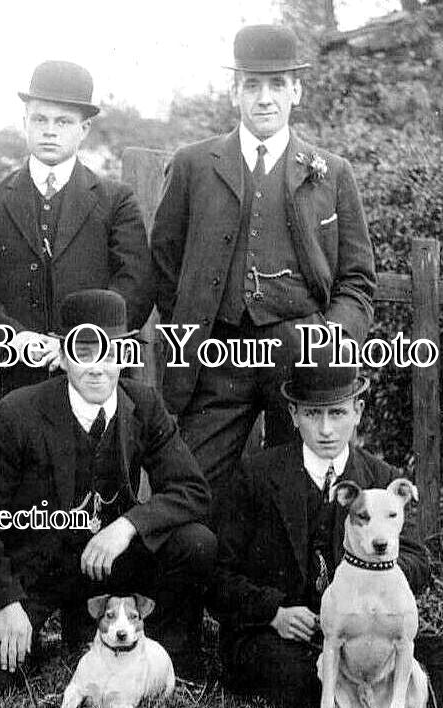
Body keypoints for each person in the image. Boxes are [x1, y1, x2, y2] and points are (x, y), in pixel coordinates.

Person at [150, 25, 375, 490]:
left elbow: (356, 280)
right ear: (235, 92)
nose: (264, 98)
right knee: (188, 489)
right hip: (217, 359)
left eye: (277, 84)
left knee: (298, 493)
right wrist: (196, 325)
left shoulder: (332, 173)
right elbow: (164, 265)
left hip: (301, 362)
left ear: (297, 89)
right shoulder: (194, 165)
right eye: (252, 84)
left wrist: (330, 340)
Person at [0, 289, 214, 691]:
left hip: (109, 564)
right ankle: (29, 633)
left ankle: (163, 653)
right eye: (83, 352)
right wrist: (5, 602)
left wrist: (127, 525)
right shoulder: (18, 412)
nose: (98, 369)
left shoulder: (142, 403)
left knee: (195, 543)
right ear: (60, 354)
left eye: (110, 353)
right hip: (35, 571)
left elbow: (192, 490)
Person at [211, 343, 442, 706]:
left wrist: (374, 577)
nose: (325, 429)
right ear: (293, 414)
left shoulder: (381, 479)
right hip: (284, 634)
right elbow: (218, 574)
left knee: (433, 658)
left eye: (337, 413)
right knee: (306, 680)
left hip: (365, 633)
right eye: (312, 414)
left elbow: (418, 559)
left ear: (358, 411)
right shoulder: (255, 476)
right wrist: (273, 611)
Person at [0, 61, 153, 419]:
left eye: (63, 122)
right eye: (40, 119)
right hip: (11, 379)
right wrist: (13, 338)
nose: (49, 131)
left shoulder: (115, 200)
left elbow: (135, 285)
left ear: (84, 128)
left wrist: (80, 345)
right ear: (24, 121)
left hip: (92, 377)